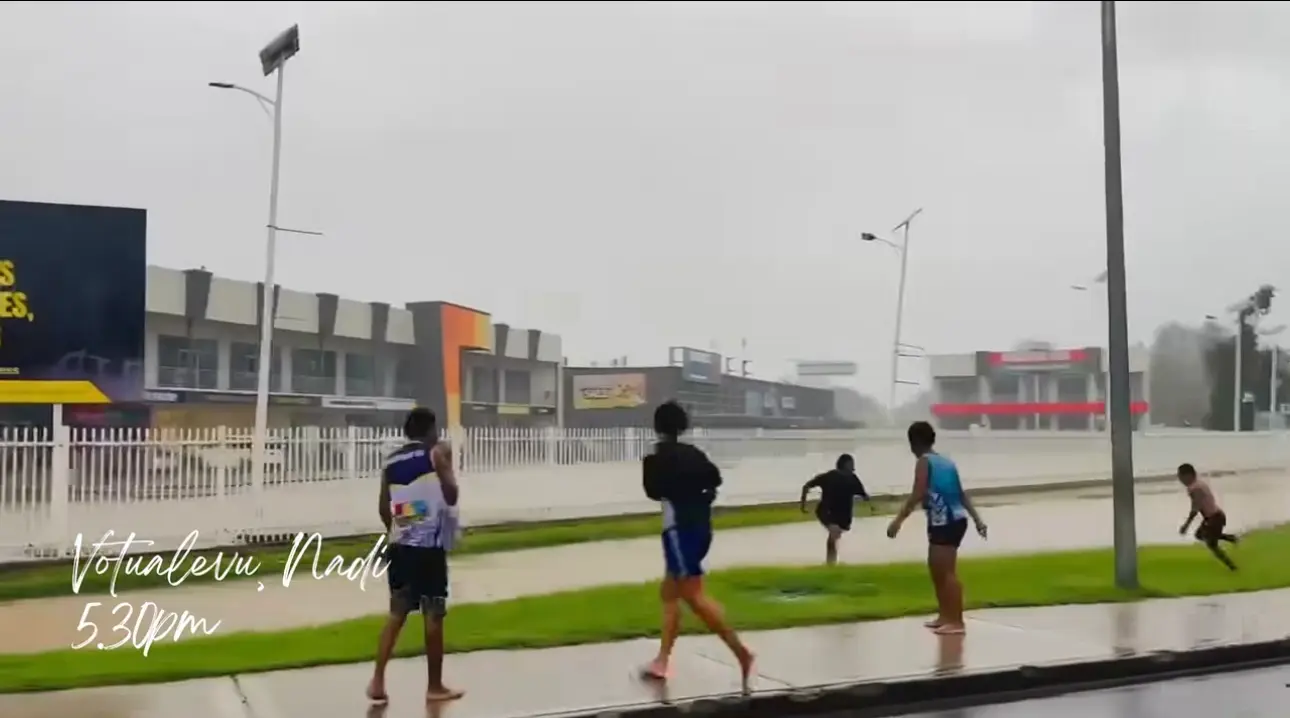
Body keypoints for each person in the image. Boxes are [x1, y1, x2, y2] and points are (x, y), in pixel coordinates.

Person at [640, 400, 756, 691]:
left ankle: (741, 653)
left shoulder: (658, 457)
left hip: (679, 532)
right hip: (701, 528)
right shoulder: (695, 454)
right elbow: (714, 479)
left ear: (657, 426)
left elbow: (653, 491)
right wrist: (699, 495)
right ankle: (662, 661)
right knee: (669, 592)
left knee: (692, 595)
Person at [368, 407, 464, 704]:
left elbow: (384, 508)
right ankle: (435, 687)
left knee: (397, 614)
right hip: (429, 551)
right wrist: (446, 464)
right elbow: (452, 494)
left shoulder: (391, 462)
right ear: (430, 429)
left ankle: (377, 680)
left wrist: (399, 530)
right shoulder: (435, 454)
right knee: (433, 614)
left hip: (400, 547)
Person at [886, 421, 986, 636]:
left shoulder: (924, 462)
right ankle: (945, 615)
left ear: (914, 442)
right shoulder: (946, 462)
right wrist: (978, 521)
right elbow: (961, 494)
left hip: (946, 520)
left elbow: (918, 492)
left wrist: (898, 520)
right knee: (937, 570)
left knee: (947, 573)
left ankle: (956, 621)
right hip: (952, 520)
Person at [799, 453, 871, 565]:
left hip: (842, 516)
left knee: (835, 536)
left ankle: (832, 562)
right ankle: (830, 563)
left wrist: (803, 505)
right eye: (851, 464)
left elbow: (864, 496)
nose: (853, 467)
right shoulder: (834, 477)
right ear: (845, 465)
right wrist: (803, 505)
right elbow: (806, 486)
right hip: (827, 513)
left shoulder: (851, 478)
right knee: (834, 533)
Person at [1177, 463, 1239, 571]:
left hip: (1214, 518)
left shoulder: (1194, 488)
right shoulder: (1199, 484)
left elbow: (1195, 509)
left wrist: (1186, 526)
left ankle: (1233, 568)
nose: (1180, 480)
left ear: (1189, 475)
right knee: (1200, 535)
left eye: (1180, 476)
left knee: (1211, 544)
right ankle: (1230, 538)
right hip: (1215, 516)